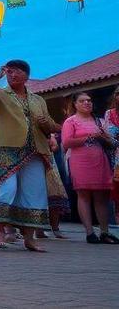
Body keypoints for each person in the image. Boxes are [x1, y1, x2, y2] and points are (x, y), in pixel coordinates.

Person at [0, 60, 58, 252]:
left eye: (17, 71)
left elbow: (52, 126)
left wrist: (46, 125)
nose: (12, 75)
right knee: (8, 189)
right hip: (7, 150)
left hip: (34, 150)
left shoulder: (38, 100)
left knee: (34, 192)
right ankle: (1, 230)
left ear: (26, 75)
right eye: (9, 72)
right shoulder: (0, 94)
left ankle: (29, 238)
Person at [60, 92, 118, 244]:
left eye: (89, 100)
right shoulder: (70, 121)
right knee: (84, 194)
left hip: (100, 160)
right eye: (83, 101)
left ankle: (105, 232)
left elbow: (111, 144)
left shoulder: (98, 121)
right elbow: (66, 143)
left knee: (102, 197)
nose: (87, 103)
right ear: (75, 104)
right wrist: (90, 137)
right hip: (80, 161)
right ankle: (89, 232)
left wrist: (104, 137)